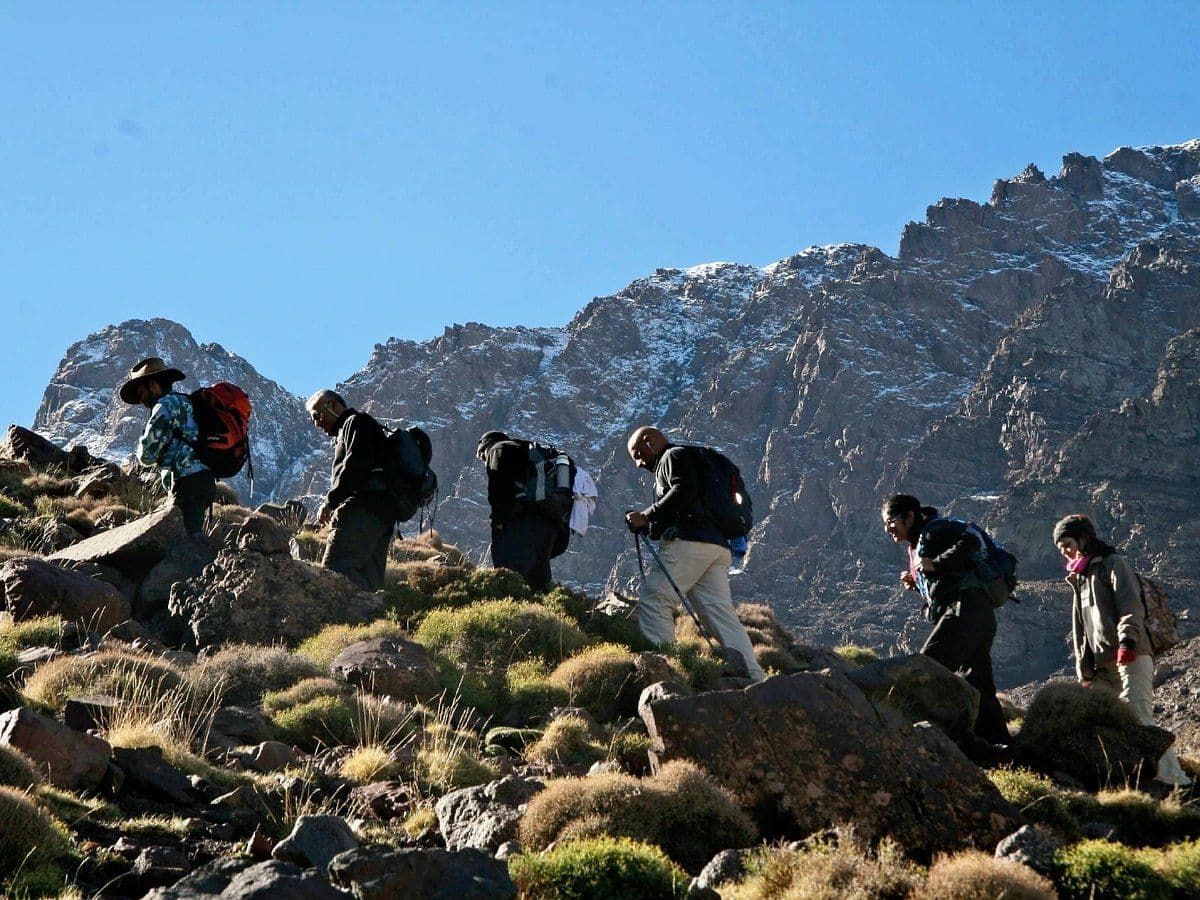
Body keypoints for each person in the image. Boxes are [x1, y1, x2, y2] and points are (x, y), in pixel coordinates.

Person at [1053, 513, 1192, 787]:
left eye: (1067, 543)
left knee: (1139, 716)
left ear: (1083, 538)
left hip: (1131, 656)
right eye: (1060, 548)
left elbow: (1131, 607)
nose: (1065, 551)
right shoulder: (1079, 577)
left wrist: (1127, 643)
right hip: (1101, 666)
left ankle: (1175, 783)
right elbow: (1082, 630)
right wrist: (1085, 668)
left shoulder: (1113, 564)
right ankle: (1136, 777)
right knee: (1108, 719)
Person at [624, 426, 765, 682]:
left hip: (688, 544)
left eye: (637, 453)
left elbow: (683, 490)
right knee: (721, 615)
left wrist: (645, 515)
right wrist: (652, 524)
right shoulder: (697, 459)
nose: (638, 463)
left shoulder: (671, 456)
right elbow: (686, 500)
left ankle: (667, 675)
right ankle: (755, 678)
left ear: (650, 441)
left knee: (656, 600)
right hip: (718, 548)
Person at [882, 494, 1009, 746]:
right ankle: (1000, 748)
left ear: (909, 516)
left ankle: (901, 734)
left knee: (926, 669)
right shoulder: (922, 540)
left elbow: (970, 542)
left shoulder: (934, 530)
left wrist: (935, 564)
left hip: (965, 611)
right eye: (885, 524)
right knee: (977, 682)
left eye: (891, 521)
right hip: (978, 615)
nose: (888, 529)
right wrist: (917, 585)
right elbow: (946, 580)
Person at [306, 389, 395, 591]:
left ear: (335, 406)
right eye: (313, 420)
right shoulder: (363, 426)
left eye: (317, 416)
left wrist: (331, 501)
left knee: (335, 571)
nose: (317, 423)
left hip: (361, 510)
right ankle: (372, 619)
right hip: (382, 516)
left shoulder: (354, 423)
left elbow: (355, 465)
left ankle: (349, 618)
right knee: (371, 583)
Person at [119, 357, 216, 535]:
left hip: (187, 481)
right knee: (194, 534)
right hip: (207, 479)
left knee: (183, 540)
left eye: (141, 392)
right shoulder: (188, 402)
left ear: (153, 384)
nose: (141, 399)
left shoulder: (164, 406)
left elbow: (146, 455)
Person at [476, 430, 566, 592]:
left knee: (509, 577)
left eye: (482, 456)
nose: (484, 461)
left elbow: (499, 488)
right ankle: (540, 612)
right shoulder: (529, 452)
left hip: (520, 524)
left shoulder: (498, 449)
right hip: (549, 525)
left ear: (485, 447)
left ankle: (511, 610)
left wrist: (499, 524)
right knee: (538, 581)